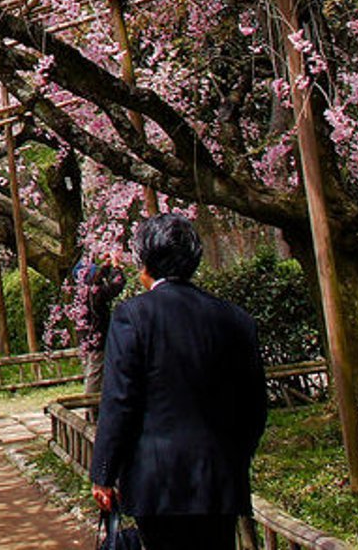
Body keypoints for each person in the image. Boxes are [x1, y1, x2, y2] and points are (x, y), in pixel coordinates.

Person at [90, 213, 268, 550]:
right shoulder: (235, 319)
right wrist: (232, 457)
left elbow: (119, 401)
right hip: (219, 479)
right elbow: (255, 406)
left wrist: (104, 472)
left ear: (145, 264)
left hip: (157, 482)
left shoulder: (133, 315)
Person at [77, 258, 128, 394]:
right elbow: (117, 285)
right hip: (96, 338)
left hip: (86, 338)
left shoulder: (82, 293)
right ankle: (90, 408)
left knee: (92, 370)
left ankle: (93, 408)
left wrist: (106, 266)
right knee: (95, 373)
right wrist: (117, 267)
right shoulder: (95, 293)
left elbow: (97, 278)